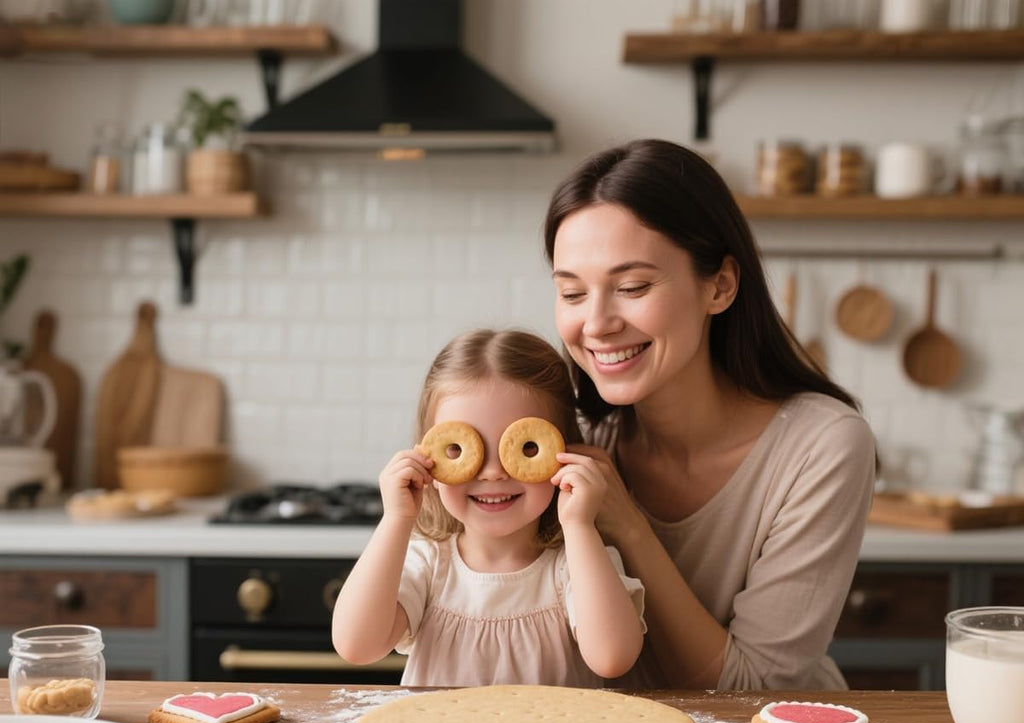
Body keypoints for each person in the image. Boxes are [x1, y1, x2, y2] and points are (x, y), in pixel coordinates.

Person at [544, 138, 876, 691]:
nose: (596, 324)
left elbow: (755, 689)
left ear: (719, 285)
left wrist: (628, 524)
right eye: (573, 293)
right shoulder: (578, 444)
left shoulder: (823, 446)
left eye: (632, 287)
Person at [332, 328, 646, 687]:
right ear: (427, 457)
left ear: (564, 453)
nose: (493, 472)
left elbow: (612, 658)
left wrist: (579, 527)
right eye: (460, 450)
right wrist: (396, 520)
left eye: (526, 448)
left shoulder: (576, 564)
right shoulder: (429, 565)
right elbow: (356, 646)